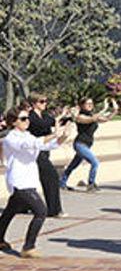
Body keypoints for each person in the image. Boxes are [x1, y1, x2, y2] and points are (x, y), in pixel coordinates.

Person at [0, 106, 70, 258]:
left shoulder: (28, 135)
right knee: (41, 211)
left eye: (28, 118)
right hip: (19, 181)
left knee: (10, 211)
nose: (27, 121)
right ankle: (28, 247)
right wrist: (53, 134)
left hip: (29, 180)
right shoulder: (11, 138)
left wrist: (62, 136)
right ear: (13, 122)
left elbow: (45, 145)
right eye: (23, 119)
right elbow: (31, 145)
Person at [60, 97, 118, 192]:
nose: (90, 105)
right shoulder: (80, 116)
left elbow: (105, 119)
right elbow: (91, 119)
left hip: (87, 144)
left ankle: (62, 183)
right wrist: (104, 108)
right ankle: (91, 184)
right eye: (88, 103)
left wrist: (115, 110)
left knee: (73, 165)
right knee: (95, 162)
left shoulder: (91, 115)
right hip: (80, 144)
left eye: (91, 103)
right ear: (82, 105)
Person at [27, 94, 68, 217]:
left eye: (45, 101)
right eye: (42, 101)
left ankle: (21, 206)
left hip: (45, 151)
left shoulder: (44, 115)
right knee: (52, 177)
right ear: (34, 103)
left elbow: (54, 122)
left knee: (30, 181)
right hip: (34, 152)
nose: (45, 103)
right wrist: (56, 131)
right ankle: (54, 210)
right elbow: (44, 126)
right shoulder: (30, 117)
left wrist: (64, 116)